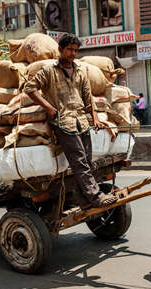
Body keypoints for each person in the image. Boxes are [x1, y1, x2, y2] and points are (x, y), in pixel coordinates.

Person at [23, 33, 118, 209]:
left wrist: (95, 118)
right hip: (63, 123)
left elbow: (88, 98)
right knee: (79, 161)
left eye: (75, 50)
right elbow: (30, 88)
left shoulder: (81, 71)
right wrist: (49, 108)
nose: (73, 53)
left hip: (81, 121)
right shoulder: (49, 71)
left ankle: (83, 201)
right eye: (69, 49)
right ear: (60, 49)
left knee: (88, 162)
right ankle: (96, 197)